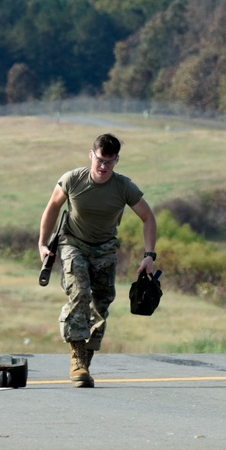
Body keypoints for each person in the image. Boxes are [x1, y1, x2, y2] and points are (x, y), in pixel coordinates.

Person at [38, 133, 158, 388]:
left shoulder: (124, 187)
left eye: (110, 162)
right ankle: (77, 359)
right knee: (80, 293)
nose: (104, 167)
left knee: (101, 306)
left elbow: (148, 217)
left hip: (104, 249)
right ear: (91, 155)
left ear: (117, 161)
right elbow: (52, 208)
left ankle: (85, 360)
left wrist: (149, 256)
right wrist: (42, 243)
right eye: (100, 160)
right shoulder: (72, 180)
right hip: (73, 244)